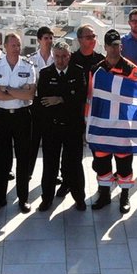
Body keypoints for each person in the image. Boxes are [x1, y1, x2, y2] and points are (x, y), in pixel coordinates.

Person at [35, 40, 88, 211]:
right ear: (53, 56)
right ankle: (47, 199)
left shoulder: (78, 72)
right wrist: (67, 98)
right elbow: (43, 101)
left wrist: (59, 99)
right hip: (52, 127)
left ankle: (79, 198)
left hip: (73, 127)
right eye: (57, 56)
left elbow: (80, 98)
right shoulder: (45, 74)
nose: (60, 60)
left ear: (69, 56)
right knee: (50, 165)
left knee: (74, 164)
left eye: (64, 56)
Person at [91, 29, 137, 213]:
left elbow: (129, 94)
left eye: (117, 45)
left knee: (124, 162)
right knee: (102, 162)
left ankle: (124, 196)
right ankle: (104, 195)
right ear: (105, 47)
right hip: (101, 123)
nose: (114, 49)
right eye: (111, 45)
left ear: (122, 46)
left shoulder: (131, 68)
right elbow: (91, 96)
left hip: (122, 124)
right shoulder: (95, 69)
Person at [0, 32, 36, 213]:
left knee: (23, 158)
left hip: (22, 116)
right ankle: (0, 198)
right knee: (1, 159)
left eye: (18, 45)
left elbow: (30, 94)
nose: (16, 48)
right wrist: (17, 92)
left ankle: (23, 198)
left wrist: (6, 89)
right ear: (5, 46)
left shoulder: (28, 65)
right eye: (13, 45)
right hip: (2, 117)